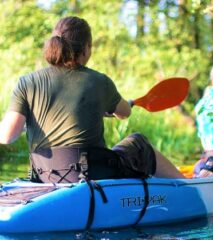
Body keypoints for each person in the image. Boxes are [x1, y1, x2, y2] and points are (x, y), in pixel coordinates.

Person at [0, 16, 184, 183]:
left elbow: (7, 136)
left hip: (44, 175)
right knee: (139, 143)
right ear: (86, 48)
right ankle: (191, 187)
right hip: (89, 174)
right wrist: (116, 107)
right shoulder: (99, 81)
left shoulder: (27, 82)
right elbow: (125, 112)